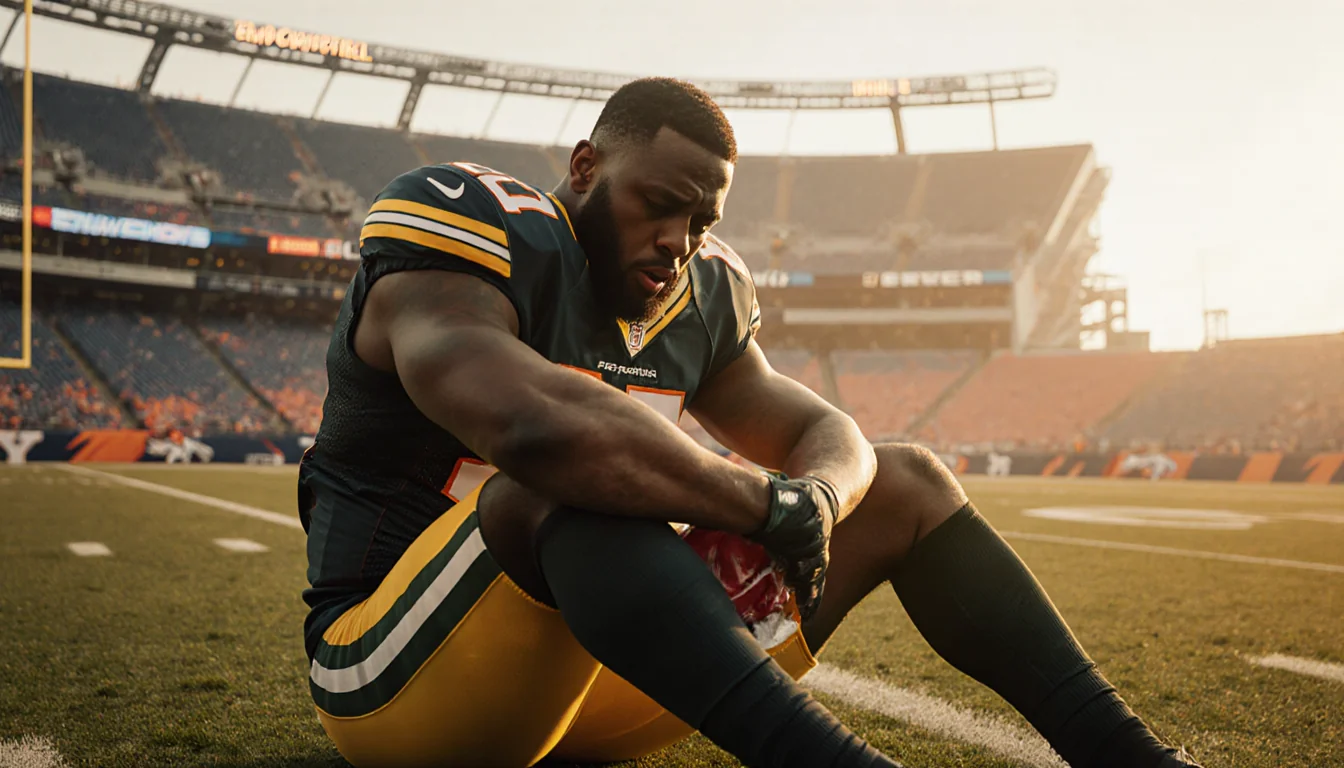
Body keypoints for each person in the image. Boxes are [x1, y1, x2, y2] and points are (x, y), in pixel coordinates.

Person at [297, 77, 1201, 768]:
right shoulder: (471, 228)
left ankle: (1135, 757)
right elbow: (544, 431)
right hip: (396, 677)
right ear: (585, 169)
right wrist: (763, 505)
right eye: (659, 203)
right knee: (567, 485)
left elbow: (830, 433)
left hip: (612, 676)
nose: (678, 239)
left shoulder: (701, 293)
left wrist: (812, 494)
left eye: (701, 218)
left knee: (908, 482)